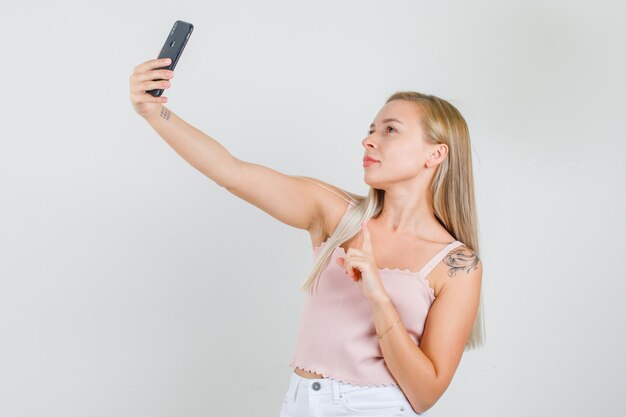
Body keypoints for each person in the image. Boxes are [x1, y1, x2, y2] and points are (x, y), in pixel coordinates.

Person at [129, 58, 484, 416]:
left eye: (390, 130)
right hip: (301, 403)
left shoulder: (457, 265)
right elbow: (231, 172)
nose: (369, 139)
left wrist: (379, 297)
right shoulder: (334, 214)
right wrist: (154, 112)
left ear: (435, 154)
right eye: (371, 129)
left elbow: (425, 394)